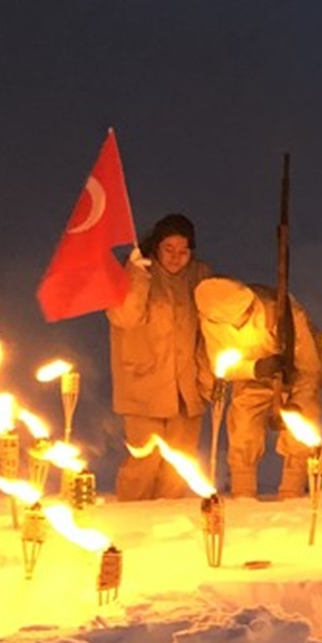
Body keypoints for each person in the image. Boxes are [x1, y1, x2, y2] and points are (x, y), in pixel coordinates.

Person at [107, 213, 212, 499]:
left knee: (179, 466)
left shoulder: (200, 276)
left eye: (183, 251)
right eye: (169, 249)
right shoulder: (134, 273)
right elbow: (124, 316)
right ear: (156, 245)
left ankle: (168, 527)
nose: (176, 257)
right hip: (144, 388)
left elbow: (210, 330)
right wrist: (135, 274)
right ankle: (133, 523)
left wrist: (208, 377)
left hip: (186, 391)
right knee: (143, 464)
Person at [193, 277, 322, 499]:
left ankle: (292, 492)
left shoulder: (285, 315)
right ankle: (243, 492)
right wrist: (255, 368)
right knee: (243, 426)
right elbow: (221, 365)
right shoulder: (213, 321)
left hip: (296, 375)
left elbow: (310, 367)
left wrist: (297, 401)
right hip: (251, 378)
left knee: (300, 425)